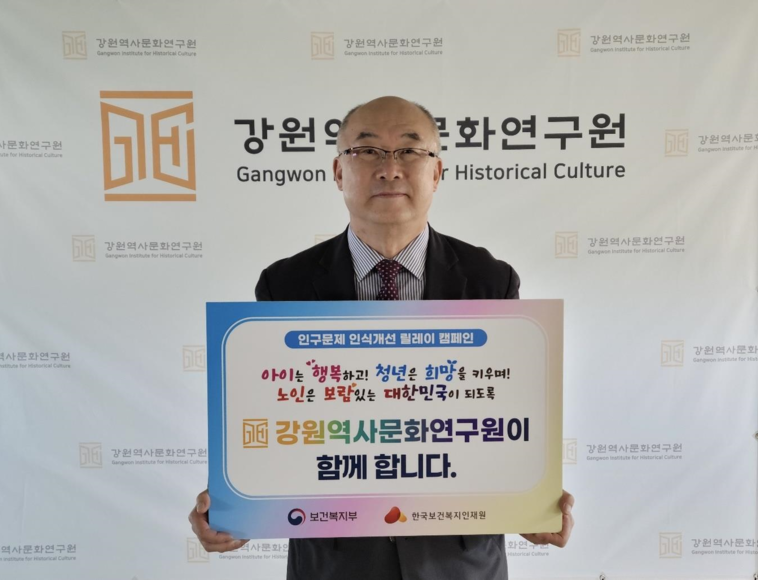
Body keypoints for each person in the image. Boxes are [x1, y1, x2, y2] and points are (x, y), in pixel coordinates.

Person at [189, 96, 575, 579]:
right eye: (367, 150)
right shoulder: (285, 284)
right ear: (338, 171)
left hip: (459, 562)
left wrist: (533, 504)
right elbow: (273, 424)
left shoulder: (489, 280)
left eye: (410, 151)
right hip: (334, 562)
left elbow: (505, 415)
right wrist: (237, 511)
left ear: (437, 173)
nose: (390, 168)